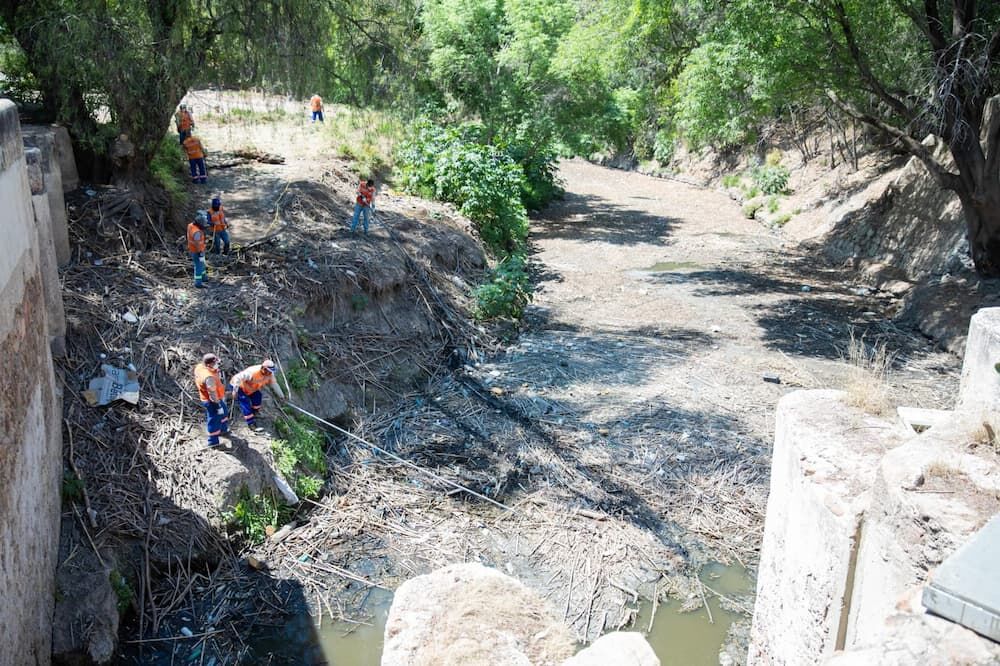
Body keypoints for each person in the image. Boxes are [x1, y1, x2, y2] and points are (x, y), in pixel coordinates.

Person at [230, 359, 285, 432]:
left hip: (251, 388)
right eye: (268, 371)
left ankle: (254, 412)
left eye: (271, 372)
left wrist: (281, 396)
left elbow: (274, 384)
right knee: (245, 403)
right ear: (263, 368)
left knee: (258, 397)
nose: (269, 373)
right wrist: (235, 390)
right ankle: (251, 424)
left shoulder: (270, 374)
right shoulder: (252, 373)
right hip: (239, 387)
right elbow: (238, 378)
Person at [193, 353, 229, 447]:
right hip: (212, 401)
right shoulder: (209, 378)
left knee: (224, 412)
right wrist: (218, 405)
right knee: (214, 419)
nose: (217, 364)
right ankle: (213, 441)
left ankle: (223, 430)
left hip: (217, 398)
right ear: (209, 364)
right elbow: (212, 393)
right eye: (215, 363)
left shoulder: (200, 367)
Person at [187, 212, 209, 288]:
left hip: (194, 250)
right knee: (199, 266)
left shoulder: (191, 225)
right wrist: (200, 252)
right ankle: (198, 283)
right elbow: (197, 243)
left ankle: (204, 277)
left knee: (202, 263)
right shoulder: (197, 232)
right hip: (197, 251)